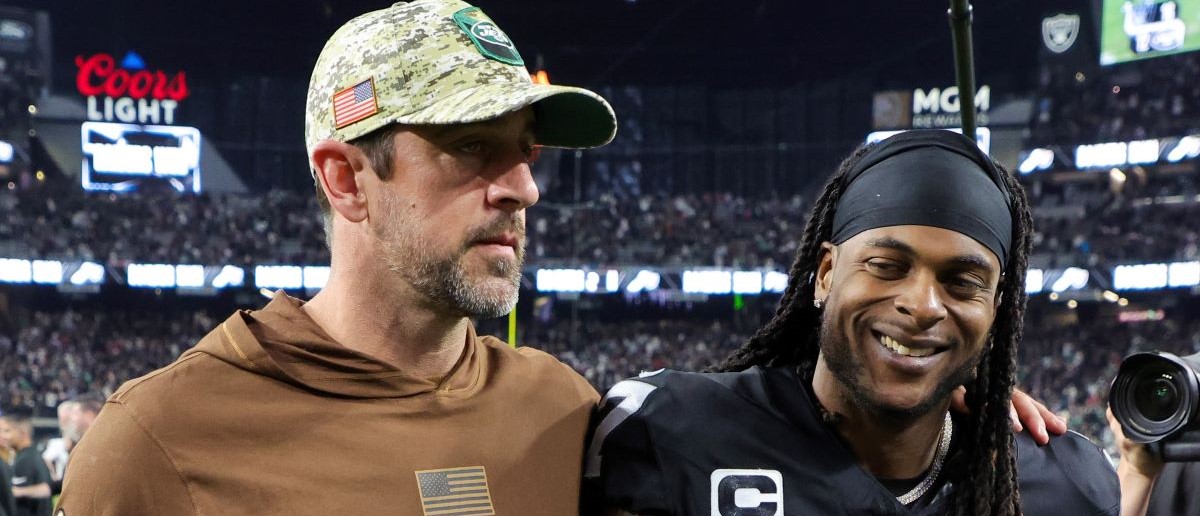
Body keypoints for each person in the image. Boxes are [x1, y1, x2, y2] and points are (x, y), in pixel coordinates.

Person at [58, 0, 616, 514]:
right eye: (472, 146)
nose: (524, 189)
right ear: (346, 179)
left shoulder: (565, 410)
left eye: (526, 152)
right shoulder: (157, 444)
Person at [584, 130, 1120, 515]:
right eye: (887, 266)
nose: (924, 304)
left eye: (963, 281)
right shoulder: (672, 433)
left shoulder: (1066, 482)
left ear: (994, 313)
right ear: (824, 274)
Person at [0, 414, 51, 516]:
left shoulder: (27, 459)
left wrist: (13, 491)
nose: (2, 436)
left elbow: (45, 489)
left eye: (7, 431)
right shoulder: (28, 455)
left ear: (22, 433)